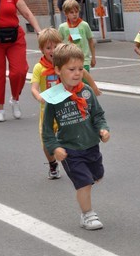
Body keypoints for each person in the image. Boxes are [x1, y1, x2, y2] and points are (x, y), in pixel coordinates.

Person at [42, 43, 110, 230]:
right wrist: (55, 148)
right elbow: (47, 129)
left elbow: (98, 115)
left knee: (97, 175)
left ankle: (86, 208)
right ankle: (88, 214)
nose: (77, 73)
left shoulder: (86, 92)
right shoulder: (54, 98)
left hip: (91, 145)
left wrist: (103, 129)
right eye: (71, 69)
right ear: (58, 70)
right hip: (70, 149)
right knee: (84, 182)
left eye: (80, 68)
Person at [31, 29, 101, 179]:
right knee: (46, 140)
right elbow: (34, 87)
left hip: (67, 108)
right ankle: (52, 164)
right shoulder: (39, 68)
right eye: (48, 47)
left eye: (55, 46)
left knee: (72, 134)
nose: (52, 50)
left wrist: (93, 86)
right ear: (42, 49)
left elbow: (84, 73)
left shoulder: (66, 63)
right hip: (49, 109)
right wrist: (39, 97)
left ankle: (78, 160)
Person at [59, 0, 96, 72]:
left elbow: (91, 41)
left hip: (84, 60)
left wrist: (93, 57)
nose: (74, 14)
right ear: (66, 14)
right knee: (73, 81)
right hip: (69, 60)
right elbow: (58, 44)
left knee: (84, 81)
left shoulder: (84, 25)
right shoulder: (62, 27)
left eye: (76, 12)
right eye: (71, 12)